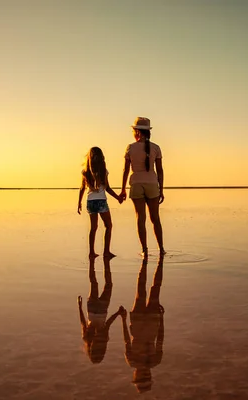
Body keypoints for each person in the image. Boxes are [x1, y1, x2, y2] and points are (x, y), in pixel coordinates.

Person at [120, 117, 165, 256]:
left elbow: (125, 170)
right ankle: (161, 249)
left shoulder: (130, 148)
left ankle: (144, 250)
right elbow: (160, 170)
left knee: (140, 218)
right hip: (152, 184)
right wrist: (161, 189)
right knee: (155, 218)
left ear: (137, 132)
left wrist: (122, 189)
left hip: (136, 184)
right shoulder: (156, 148)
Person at [121, 255, 165, 393]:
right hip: (151, 324)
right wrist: (162, 318)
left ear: (135, 375)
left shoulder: (132, 361)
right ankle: (159, 262)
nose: (145, 374)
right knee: (155, 288)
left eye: (141, 377)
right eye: (146, 376)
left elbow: (127, 341)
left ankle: (145, 262)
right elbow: (160, 339)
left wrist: (123, 319)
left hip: (139, 323)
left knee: (141, 290)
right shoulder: (155, 360)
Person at [78, 256, 126, 364]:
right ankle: (98, 261)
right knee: (98, 283)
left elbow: (106, 323)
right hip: (95, 309)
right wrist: (117, 313)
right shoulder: (92, 339)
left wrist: (80, 307)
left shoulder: (96, 339)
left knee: (103, 284)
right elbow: (84, 323)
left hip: (99, 309)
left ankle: (101, 261)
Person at [78, 147, 122, 258]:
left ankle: (91, 252)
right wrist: (118, 198)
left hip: (90, 202)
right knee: (108, 226)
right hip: (101, 201)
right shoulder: (103, 171)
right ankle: (106, 252)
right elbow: (107, 188)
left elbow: (82, 188)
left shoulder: (85, 172)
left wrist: (79, 203)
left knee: (93, 228)